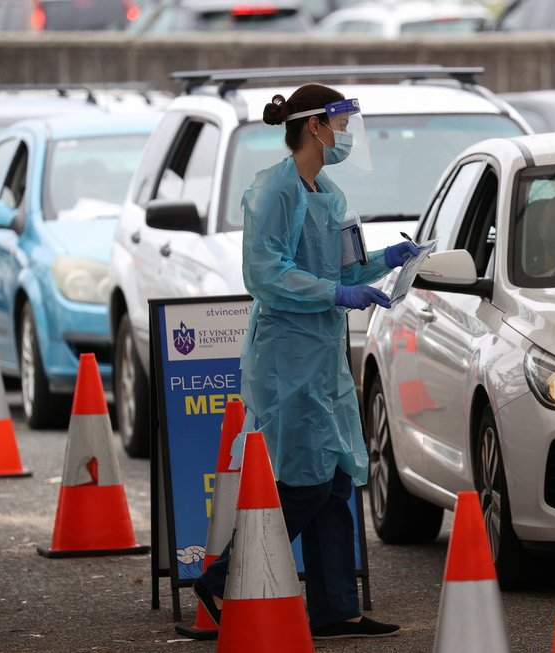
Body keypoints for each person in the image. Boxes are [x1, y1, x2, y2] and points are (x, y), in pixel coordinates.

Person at [191, 83, 417, 640]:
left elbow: (344, 268)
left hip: (323, 355)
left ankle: (337, 609)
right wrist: (335, 294)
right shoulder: (273, 192)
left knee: (337, 476)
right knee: (303, 481)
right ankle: (223, 575)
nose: (345, 137)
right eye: (340, 125)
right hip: (287, 354)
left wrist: (389, 260)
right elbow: (265, 273)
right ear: (315, 126)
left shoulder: (329, 194)